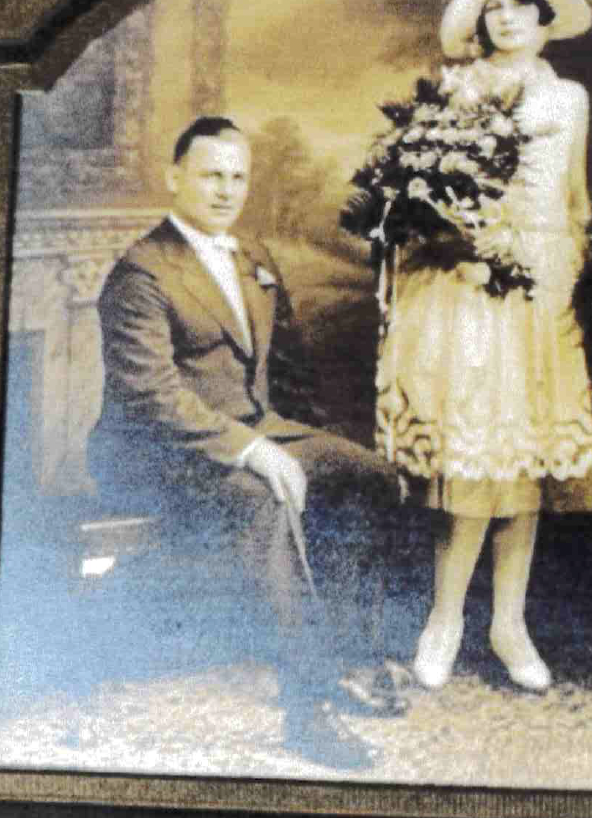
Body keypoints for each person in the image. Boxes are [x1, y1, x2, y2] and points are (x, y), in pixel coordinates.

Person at [88, 116, 406, 772]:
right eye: (211, 175)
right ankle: (307, 706)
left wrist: (314, 445)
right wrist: (254, 451)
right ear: (174, 177)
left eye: (237, 177)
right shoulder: (140, 273)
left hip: (253, 427)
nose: (226, 189)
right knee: (267, 499)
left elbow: (288, 366)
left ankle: (350, 656)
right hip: (157, 452)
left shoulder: (250, 256)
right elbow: (153, 396)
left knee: (368, 477)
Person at [374, 0, 592, 692]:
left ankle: (509, 622)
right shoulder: (457, 86)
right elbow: (426, 195)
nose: (505, 18)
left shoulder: (569, 97)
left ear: (544, 21)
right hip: (471, 280)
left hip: (545, 284)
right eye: (494, 8)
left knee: (525, 459)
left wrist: (580, 277)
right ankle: (445, 619)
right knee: (475, 460)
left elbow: (574, 195)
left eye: (519, 6)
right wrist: (459, 243)